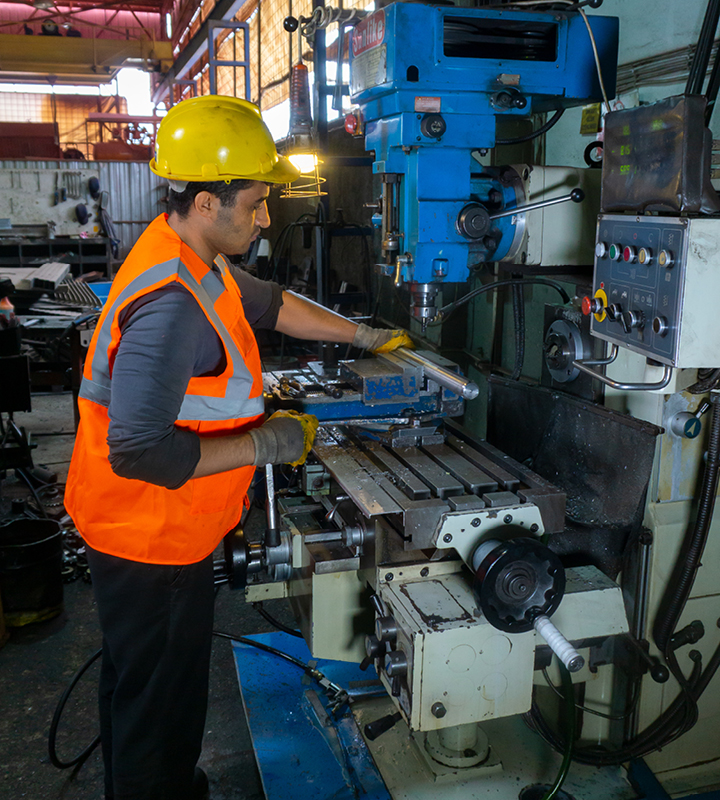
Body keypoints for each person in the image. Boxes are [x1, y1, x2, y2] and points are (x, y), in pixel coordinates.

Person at [64, 95, 410, 800]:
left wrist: (361, 335)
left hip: (149, 526)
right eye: (254, 203)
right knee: (163, 700)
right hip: (150, 533)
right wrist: (267, 442)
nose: (266, 218)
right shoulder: (170, 304)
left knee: (140, 685)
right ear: (203, 202)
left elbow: (273, 304)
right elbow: (139, 450)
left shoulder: (194, 256)